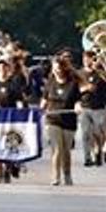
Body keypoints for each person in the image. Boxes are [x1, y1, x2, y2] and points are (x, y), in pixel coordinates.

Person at [41, 57, 81, 186]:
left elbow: (78, 100)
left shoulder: (73, 83)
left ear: (63, 68)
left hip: (68, 120)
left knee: (66, 151)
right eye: (54, 68)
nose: (56, 71)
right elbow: (44, 100)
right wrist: (41, 109)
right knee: (57, 149)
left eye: (58, 68)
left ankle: (67, 174)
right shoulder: (50, 83)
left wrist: (78, 106)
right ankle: (55, 176)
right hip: (52, 119)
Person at [78, 51, 106, 166]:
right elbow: (75, 89)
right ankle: (87, 158)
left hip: (98, 107)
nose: (86, 61)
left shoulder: (99, 72)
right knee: (85, 133)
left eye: (89, 58)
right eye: (84, 58)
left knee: (97, 133)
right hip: (85, 107)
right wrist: (85, 88)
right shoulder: (79, 73)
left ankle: (98, 152)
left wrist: (102, 65)